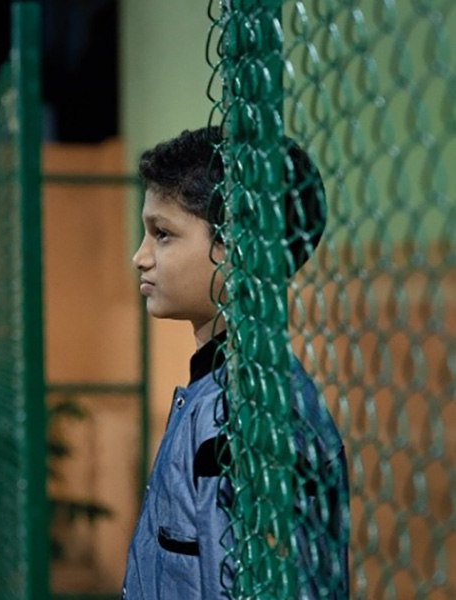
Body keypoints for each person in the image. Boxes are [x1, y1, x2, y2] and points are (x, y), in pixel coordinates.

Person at [121, 126, 349, 600]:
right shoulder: (214, 389)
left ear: (239, 247)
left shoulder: (249, 412)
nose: (139, 257)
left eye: (162, 234)